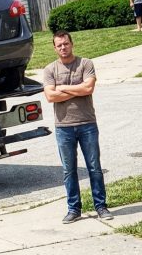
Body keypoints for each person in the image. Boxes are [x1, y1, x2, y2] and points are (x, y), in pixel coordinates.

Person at [43, 30, 113, 224]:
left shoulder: (86, 64)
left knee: (94, 168)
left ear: (71, 43)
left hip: (87, 124)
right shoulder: (50, 69)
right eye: (59, 45)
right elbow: (50, 97)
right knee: (69, 170)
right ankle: (74, 209)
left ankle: (101, 206)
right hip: (63, 127)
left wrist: (62, 88)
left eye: (66, 43)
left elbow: (88, 88)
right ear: (54, 47)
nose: (63, 47)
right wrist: (77, 90)